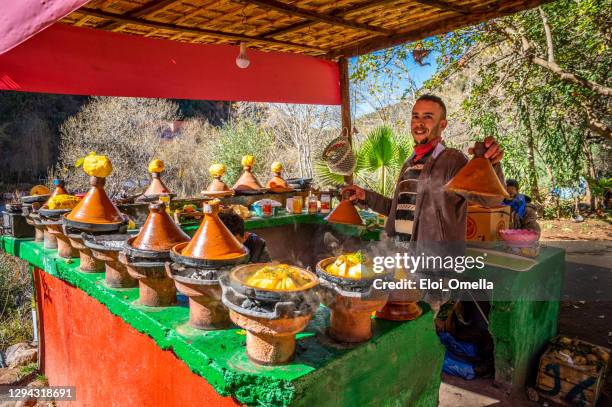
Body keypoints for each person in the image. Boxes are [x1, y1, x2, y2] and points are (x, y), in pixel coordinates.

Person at [343, 94, 505, 243]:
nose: (419, 123)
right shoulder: (409, 163)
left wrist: (491, 164)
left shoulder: (452, 160)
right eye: (415, 116)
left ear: (443, 124)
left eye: (427, 117)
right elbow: (398, 211)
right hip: (401, 260)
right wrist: (366, 197)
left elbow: (490, 200)